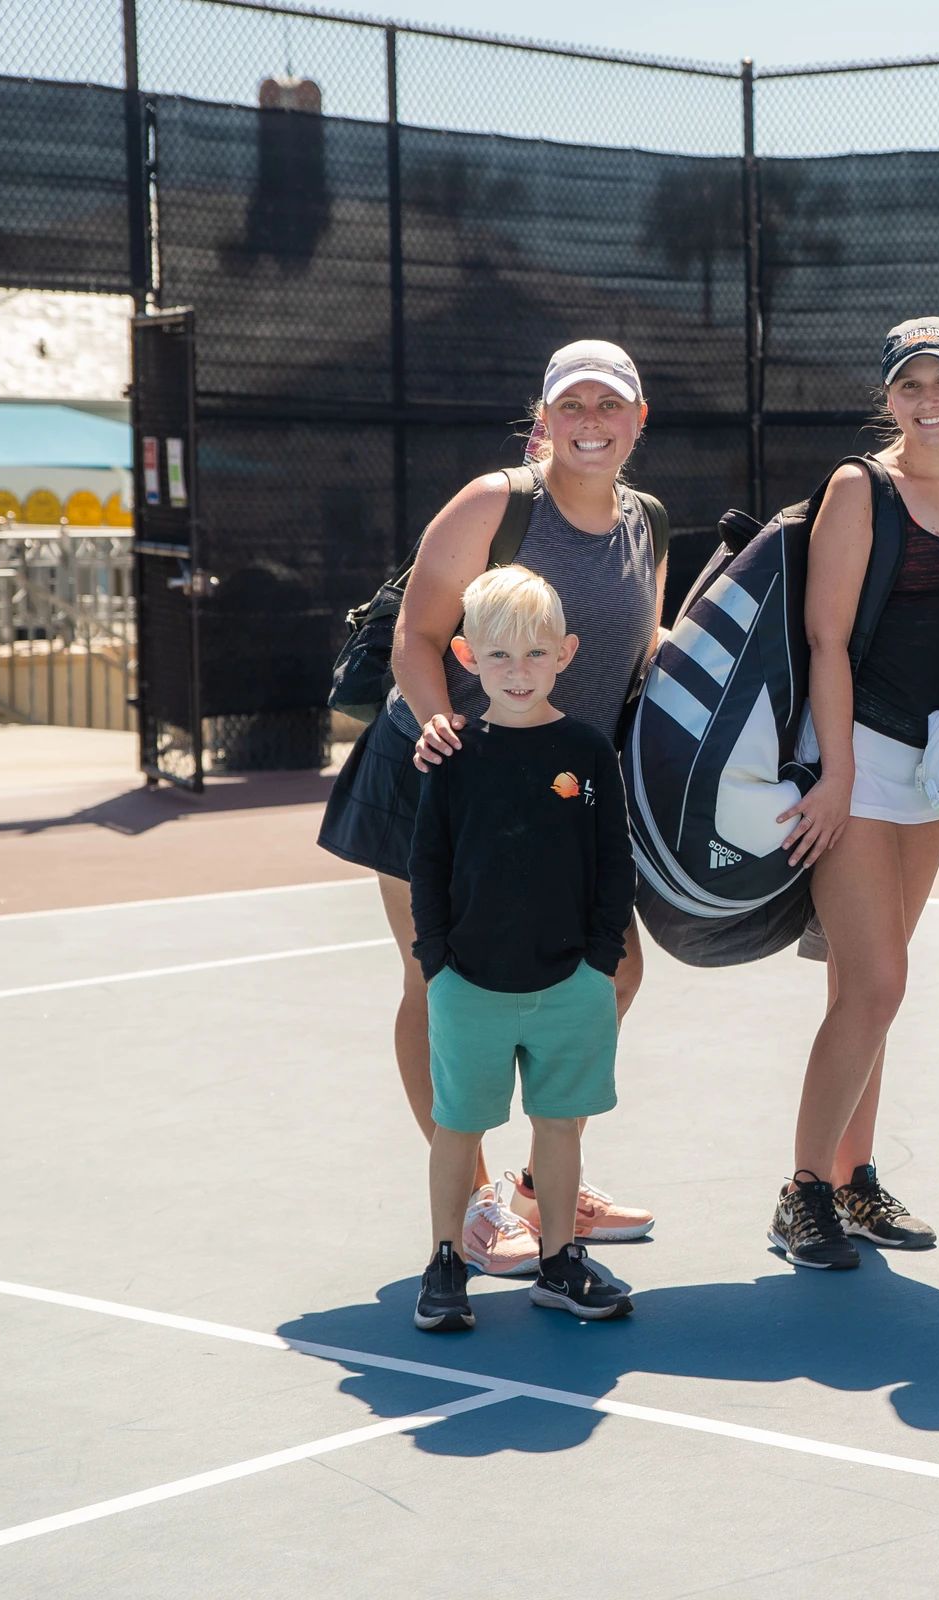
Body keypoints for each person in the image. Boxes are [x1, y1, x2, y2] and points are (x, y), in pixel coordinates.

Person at [318, 339, 663, 1275]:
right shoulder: (495, 503)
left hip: (552, 795)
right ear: (543, 419)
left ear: (638, 421)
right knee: (440, 986)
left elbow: (630, 657)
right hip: (437, 780)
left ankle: (538, 1186)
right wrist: (447, 741)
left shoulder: (650, 525)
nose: (591, 422)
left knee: (613, 975)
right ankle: (469, 1200)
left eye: (610, 406)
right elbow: (416, 640)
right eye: (572, 406)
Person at [765, 317, 939, 1270]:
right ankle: (802, 1192)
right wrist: (833, 773)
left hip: (927, 765)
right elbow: (828, 639)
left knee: (866, 987)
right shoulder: (859, 489)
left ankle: (853, 1180)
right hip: (857, 756)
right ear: (890, 399)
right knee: (877, 983)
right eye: (909, 385)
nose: (929, 399)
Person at [408, 565, 633, 1330]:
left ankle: (560, 1262)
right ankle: (446, 1262)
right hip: (467, 984)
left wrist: (600, 959)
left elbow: (613, 863)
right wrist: (436, 962)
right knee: (458, 1126)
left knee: (560, 1124)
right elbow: (428, 864)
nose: (517, 670)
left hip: (570, 983)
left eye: (535, 653)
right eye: (498, 655)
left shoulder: (589, 753)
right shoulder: (451, 755)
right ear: (467, 658)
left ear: (565, 653)